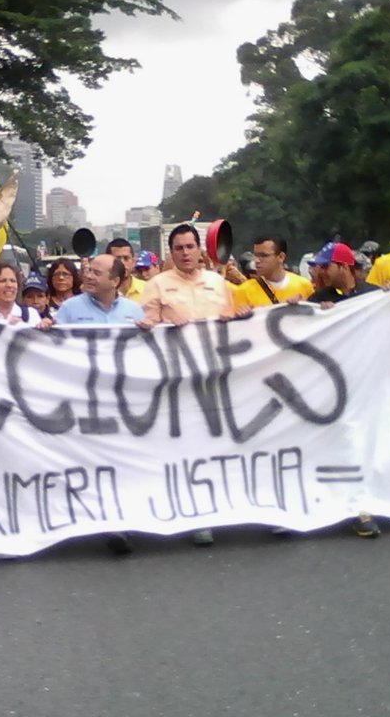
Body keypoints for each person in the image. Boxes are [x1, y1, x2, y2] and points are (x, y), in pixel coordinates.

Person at [138, 224, 249, 545]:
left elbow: (233, 324)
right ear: (170, 253)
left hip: (216, 378)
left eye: (190, 247)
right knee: (185, 448)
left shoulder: (219, 283)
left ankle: (220, 507)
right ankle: (194, 514)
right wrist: (157, 324)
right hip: (176, 382)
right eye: (179, 248)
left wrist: (242, 318)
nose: (185, 253)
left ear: (200, 250)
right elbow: (145, 329)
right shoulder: (157, 285)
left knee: (216, 445)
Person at [53, 254, 145, 325]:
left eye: (97, 273)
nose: (89, 276)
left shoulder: (134, 310)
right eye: (89, 271)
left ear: (115, 281)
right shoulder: (69, 308)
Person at [232, 235, 314, 307]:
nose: (257, 260)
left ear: (281, 257)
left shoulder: (304, 285)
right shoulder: (244, 291)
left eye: (264, 255)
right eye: (256, 255)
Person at [307, 242, 379, 304]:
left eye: (325, 266)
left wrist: (389, 294)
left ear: (344, 266)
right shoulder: (319, 299)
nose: (321, 271)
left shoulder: (372, 293)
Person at [107, 238, 147, 303]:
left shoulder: (147, 289)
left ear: (133, 261)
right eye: (117, 259)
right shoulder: (102, 292)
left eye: (126, 258)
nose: (122, 263)